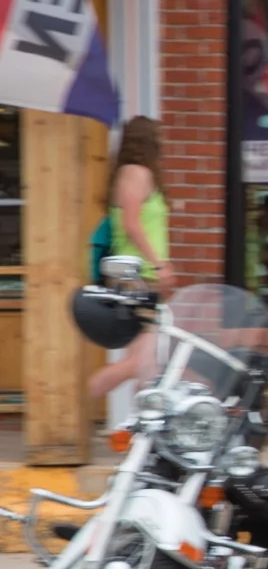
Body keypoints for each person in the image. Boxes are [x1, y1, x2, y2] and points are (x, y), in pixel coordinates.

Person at [89, 117, 171, 401]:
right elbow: (132, 224)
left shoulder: (130, 173)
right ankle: (83, 396)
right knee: (142, 361)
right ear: (148, 142)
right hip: (135, 278)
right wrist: (159, 264)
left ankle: (143, 438)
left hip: (138, 278)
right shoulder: (136, 174)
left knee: (148, 362)